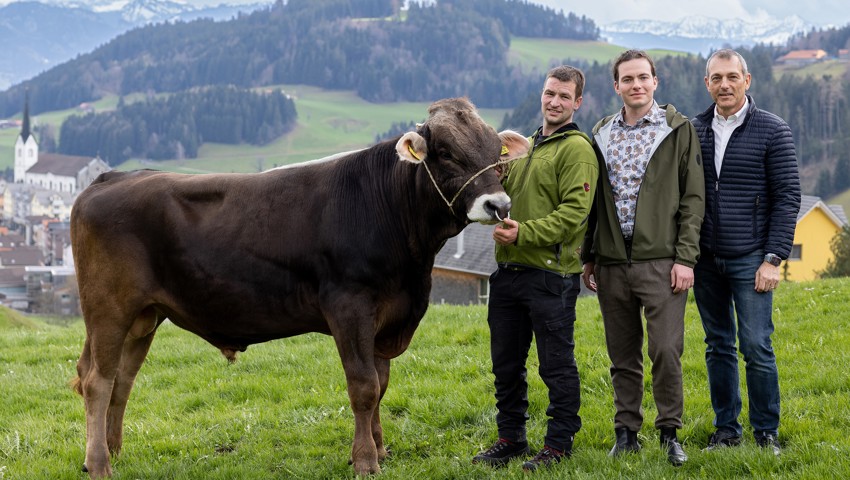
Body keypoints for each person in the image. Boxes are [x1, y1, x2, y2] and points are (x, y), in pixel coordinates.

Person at [580, 49, 704, 466]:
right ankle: (626, 432)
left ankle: (669, 433)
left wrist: (685, 258)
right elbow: (595, 202)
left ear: (655, 82)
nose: (636, 85)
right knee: (622, 354)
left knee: (666, 350)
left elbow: (693, 199)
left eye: (643, 78)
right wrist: (589, 256)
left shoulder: (677, 130)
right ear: (616, 86)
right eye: (627, 79)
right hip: (612, 262)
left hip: (663, 262)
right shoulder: (601, 133)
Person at [473, 65, 598, 472]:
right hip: (508, 273)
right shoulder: (523, 146)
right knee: (506, 366)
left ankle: (559, 444)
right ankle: (510, 439)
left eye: (564, 96)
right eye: (549, 93)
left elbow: (574, 214)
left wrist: (523, 233)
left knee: (555, 366)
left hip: (550, 277)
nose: (554, 102)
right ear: (542, 94)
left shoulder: (576, 149)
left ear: (577, 102)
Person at [691, 48, 801, 456]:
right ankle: (726, 431)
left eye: (732, 77)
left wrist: (773, 258)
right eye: (717, 78)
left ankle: (766, 432)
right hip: (705, 259)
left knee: (756, 346)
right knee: (718, 345)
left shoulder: (772, 129)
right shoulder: (694, 130)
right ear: (707, 83)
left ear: (746, 80)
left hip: (752, 258)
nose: (725, 85)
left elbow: (787, 197)